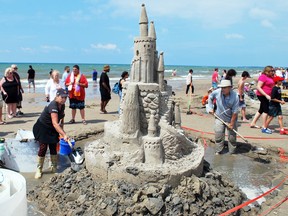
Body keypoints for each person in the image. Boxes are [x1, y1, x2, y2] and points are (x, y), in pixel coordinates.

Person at [33, 89, 69, 179]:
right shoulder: (53, 105)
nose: (64, 99)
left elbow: (61, 121)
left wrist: (62, 132)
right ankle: (39, 169)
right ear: (57, 96)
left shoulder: (62, 105)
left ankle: (54, 168)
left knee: (53, 146)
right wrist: (64, 134)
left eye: (65, 97)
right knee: (43, 147)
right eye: (62, 97)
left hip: (52, 129)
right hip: (42, 127)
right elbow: (55, 123)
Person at [207, 79, 239, 155]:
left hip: (231, 118)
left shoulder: (235, 96)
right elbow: (210, 96)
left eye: (225, 88)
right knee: (218, 134)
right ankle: (218, 151)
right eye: (222, 87)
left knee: (232, 137)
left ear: (230, 87)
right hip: (219, 117)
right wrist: (210, 108)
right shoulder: (217, 92)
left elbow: (235, 112)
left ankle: (232, 152)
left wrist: (231, 124)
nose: (223, 89)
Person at [250, 66, 275, 134]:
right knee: (266, 110)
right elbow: (258, 87)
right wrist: (266, 95)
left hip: (268, 96)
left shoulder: (271, 77)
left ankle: (253, 123)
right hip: (262, 95)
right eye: (271, 71)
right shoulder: (263, 76)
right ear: (267, 71)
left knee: (261, 109)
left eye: (273, 71)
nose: (273, 72)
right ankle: (264, 127)